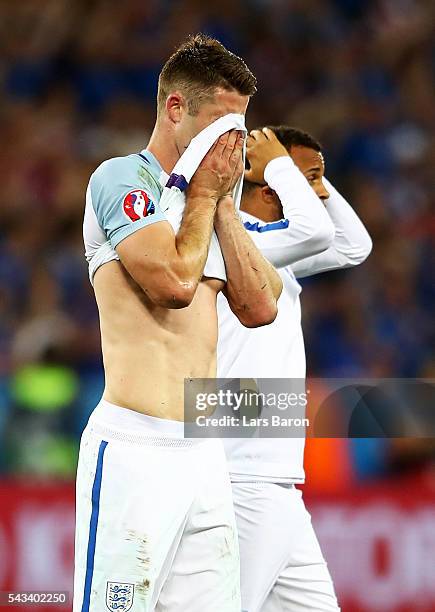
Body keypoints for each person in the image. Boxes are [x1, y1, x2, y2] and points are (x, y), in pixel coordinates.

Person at [73, 35, 282, 612]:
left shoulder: (213, 206)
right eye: (219, 123)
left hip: (204, 459)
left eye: (240, 126)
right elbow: (173, 284)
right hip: (134, 451)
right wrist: (206, 196)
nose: (233, 144)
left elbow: (262, 305)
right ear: (174, 109)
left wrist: (220, 204)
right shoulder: (120, 180)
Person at [217, 126, 373, 611]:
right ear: (270, 188)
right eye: (308, 183)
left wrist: (315, 179)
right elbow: (319, 231)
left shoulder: (272, 247)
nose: (316, 195)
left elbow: (353, 246)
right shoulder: (232, 241)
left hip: (275, 478)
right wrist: (285, 167)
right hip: (240, 473)